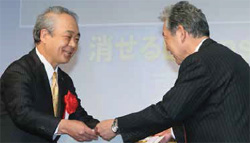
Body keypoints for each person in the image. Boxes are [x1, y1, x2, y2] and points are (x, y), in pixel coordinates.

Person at [95, 1, 250, 142]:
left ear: (181, 33)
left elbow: (168, 111)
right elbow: (217, 116)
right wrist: (174, 133)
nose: (167, 47)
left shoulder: (199, 61)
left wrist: (117, 125)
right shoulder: (231, 58)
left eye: (165, 38)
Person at [0, 6, 99, 143]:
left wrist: (109, 128)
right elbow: (23, 113)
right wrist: (64, 126)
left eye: (76, 39)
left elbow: (79, 117)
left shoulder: (64, 80)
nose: (73, 45)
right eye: (68, 37)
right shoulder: (19, 71)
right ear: (44, 35)